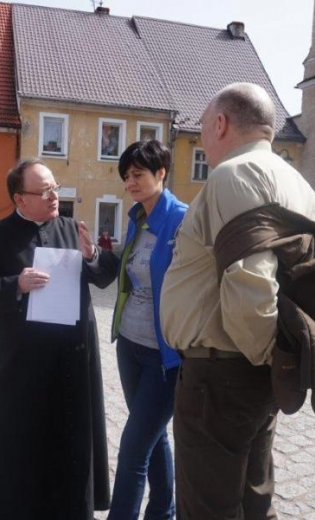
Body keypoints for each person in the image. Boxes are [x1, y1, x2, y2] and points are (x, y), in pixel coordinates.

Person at [160, 83, 315, 520]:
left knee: (207, 509)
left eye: (202, 130)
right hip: (251, 372)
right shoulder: (302, 186)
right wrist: (272, 363)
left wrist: (261, 357)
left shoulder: (234, 175)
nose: (201, 142)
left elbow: (250, 278)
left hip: (223, 373)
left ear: (220, 123)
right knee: (254, 500)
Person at [0, 159, 119, 520]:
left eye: (55, 188)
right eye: (44, 191)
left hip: (70, 359)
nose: (53, 196)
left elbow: (105, 277)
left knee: (68, 437)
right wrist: (14, 284)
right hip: (18, 364)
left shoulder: (70, 229)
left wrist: (92, 254)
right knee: (17, 439)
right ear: (20, 198)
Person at [108, 140, 187, 520]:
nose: (131, 182)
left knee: (134, 447)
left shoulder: (184, 220)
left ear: (161, 173)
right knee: (154, 439)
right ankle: (164, 512)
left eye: (138, 174)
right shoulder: (135, 217)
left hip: (165, 355)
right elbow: (130, 275)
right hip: (129, 345)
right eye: (126, 176)